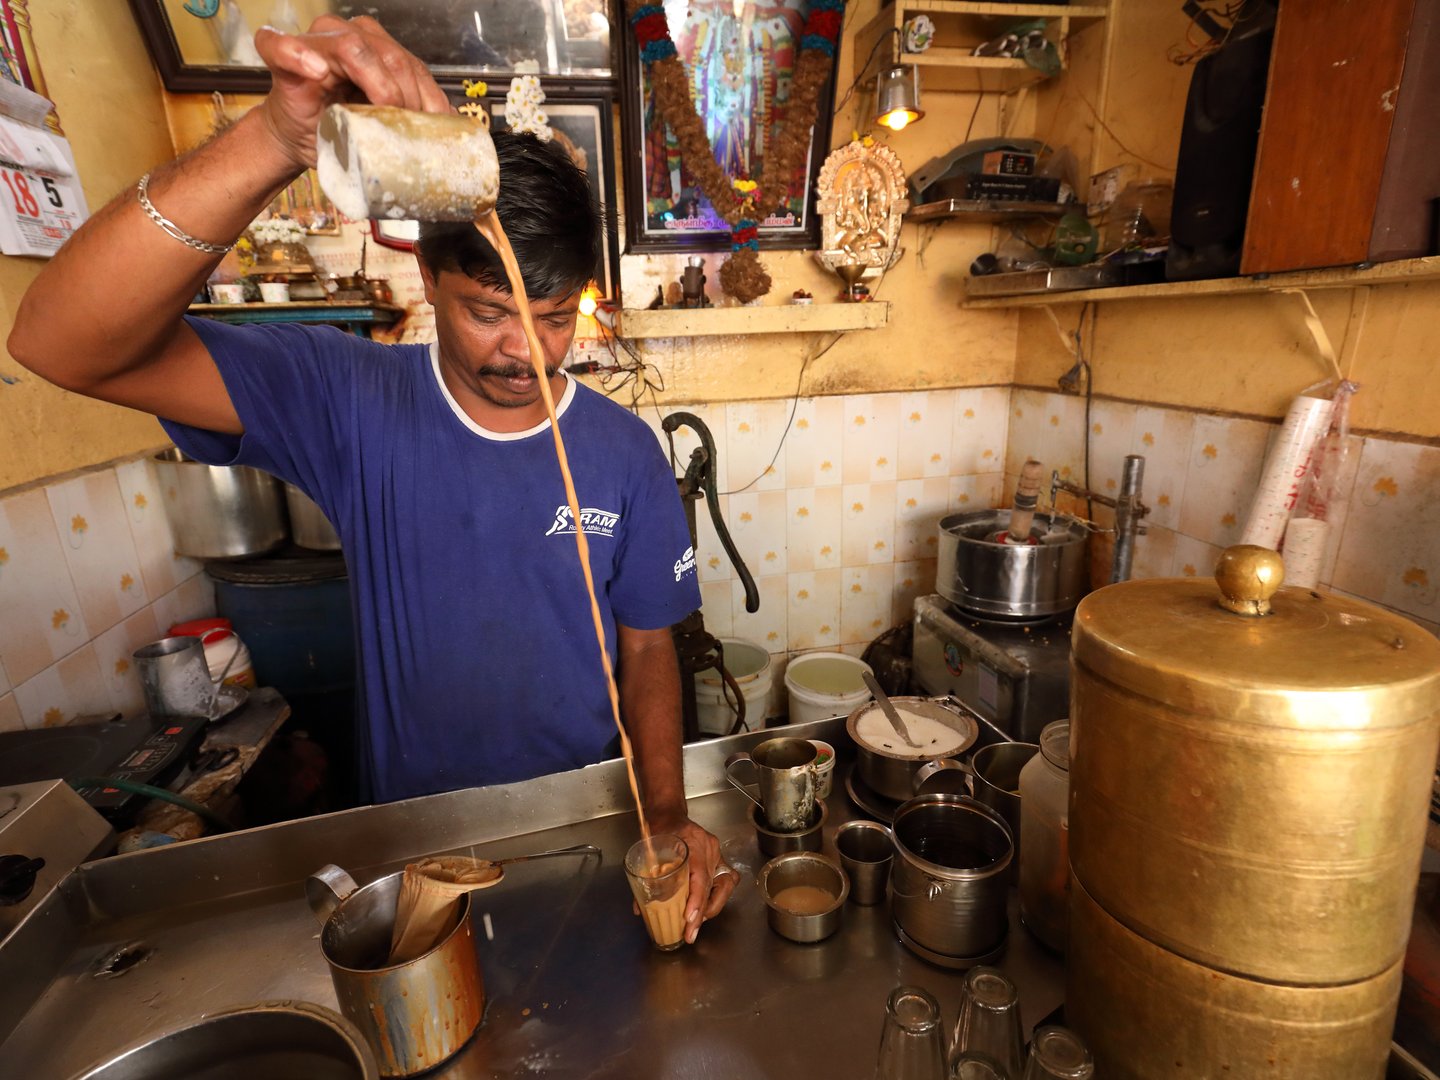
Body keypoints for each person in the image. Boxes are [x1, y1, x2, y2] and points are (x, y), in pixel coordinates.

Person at [8, 15, 736, 940]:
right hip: (413, 847)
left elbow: (646, 651)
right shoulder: (349, 398)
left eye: (554, 318)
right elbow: (59, 342)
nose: (526, 352)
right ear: (429, 276)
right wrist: (280, 138)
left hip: (582, 825)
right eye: (488, 311)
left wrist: (664, 823)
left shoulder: (625, 454)